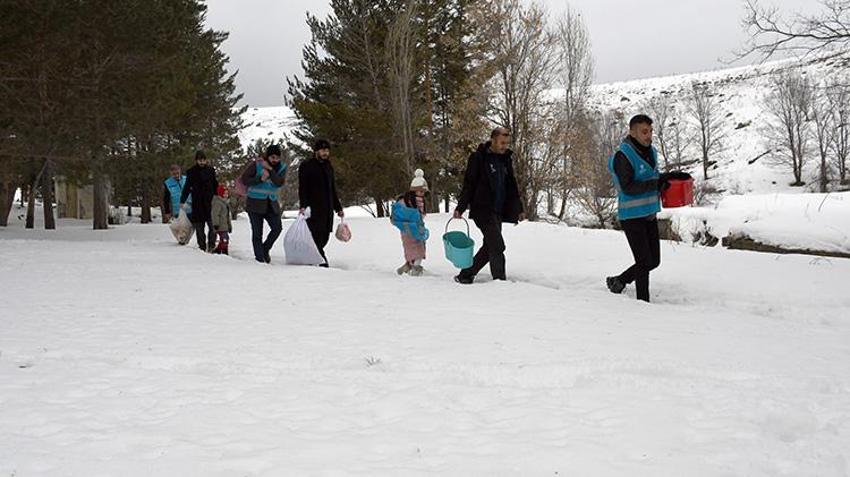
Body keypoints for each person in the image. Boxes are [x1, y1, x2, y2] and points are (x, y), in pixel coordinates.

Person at [606, 114, 689, 303]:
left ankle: (619, 281)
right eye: (644, 131)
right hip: (632, 216)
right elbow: (628, 187)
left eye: (650, 131)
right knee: (644, 262)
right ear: (632, 132)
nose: (649, 135)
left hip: (649, 214)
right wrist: (656, 183)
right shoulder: (623, 156)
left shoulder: (650, 152)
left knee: (653, 261)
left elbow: (651, 177)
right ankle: (643, 304)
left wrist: (669, 177)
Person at [453, 127, 525, 284]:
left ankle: (466, 274)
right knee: (498, 245)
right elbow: (469, 184)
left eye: (506, 143)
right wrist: (461, 207)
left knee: (490, 245)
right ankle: (499, 281)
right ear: (493, 140)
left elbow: (512, 185)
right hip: (482, 210)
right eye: (502, 143)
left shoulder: (506, 159)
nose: (504, 146)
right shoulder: (478, 158)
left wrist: (518, 208)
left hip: (498, 211)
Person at [298, 139, 344, 267]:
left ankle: (312, 257)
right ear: (316, 151)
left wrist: (338, 207)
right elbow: (303, 188)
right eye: (323, 150)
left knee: (324, 237)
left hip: (328, 208)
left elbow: (332, 189)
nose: (325, 153)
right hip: (313, 208)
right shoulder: (307, 165)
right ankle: (322, 262)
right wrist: (303, 205)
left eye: (327, 150)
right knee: (316, 235)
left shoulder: (328, 166)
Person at [241, 144, 287, 263]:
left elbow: (279, 183)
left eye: (277, 158)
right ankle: (260, 259)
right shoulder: (257, 164)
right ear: (267, 156)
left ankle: (265, 249)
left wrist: (271, 170)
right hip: (254, 204)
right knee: (257, 233)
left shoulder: (282, 167)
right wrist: (259, 179)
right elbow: (245, 180)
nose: (275, 160)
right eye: (272, 157)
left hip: (271, 204)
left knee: (277, 228)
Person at [391, 169, 429, 276]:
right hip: (416, 229)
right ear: (414, 191)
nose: (422, 194)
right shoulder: (418, 201)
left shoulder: (403, 200)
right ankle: (416, 269)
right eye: (421, 191)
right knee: (419, 250)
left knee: (410, 248)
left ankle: (407, 266)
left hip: (405, 229)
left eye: (423, 192)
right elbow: (420, 216)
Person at [180, 150, 218, 252]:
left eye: (203, 160)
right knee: (199, 228)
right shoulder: (191, 171)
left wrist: (218, 197)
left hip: (210, 202)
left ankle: (211, 245)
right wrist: (182, 200)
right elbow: (187, 187)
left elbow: (215, 184)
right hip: (197, 202)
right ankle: (201, 247)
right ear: (196, 161)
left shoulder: (211, 170)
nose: (201, 162)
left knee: (213, 226)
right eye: (199, 160)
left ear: (206, 160)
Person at [211, 184, 232, 255]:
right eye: (224, 193)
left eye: (227, 193)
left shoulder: (225, 203)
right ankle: (222, 250)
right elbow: (215, 214)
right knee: (224, 239)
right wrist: (216, 224)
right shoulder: (218, 203)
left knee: (225, 239)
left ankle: (221, 249)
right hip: (220, 226)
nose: (226, 195)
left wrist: (229, 226)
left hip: (225, 226)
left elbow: (227, 217)